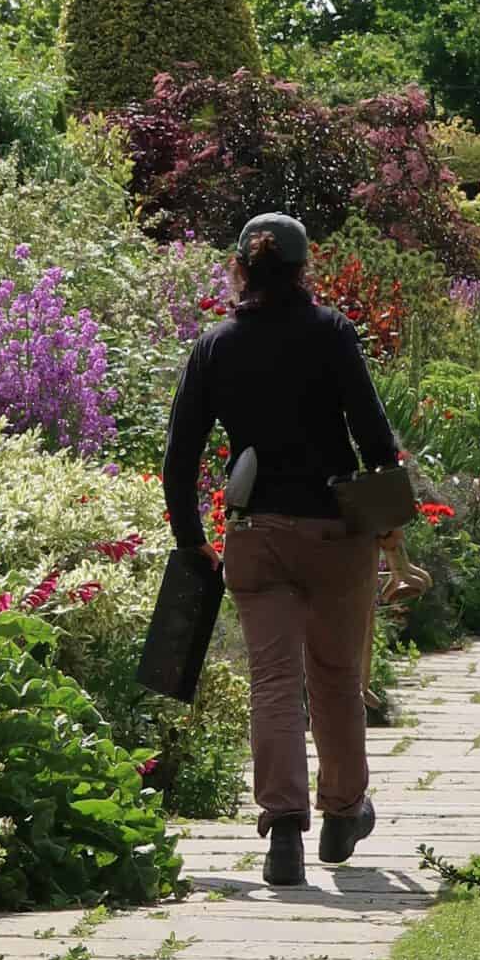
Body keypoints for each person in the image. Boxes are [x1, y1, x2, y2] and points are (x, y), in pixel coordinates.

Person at [162, 211, 402, 887]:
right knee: (335, 679)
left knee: (273, 682)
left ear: (241, 268)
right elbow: (376, 438)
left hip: (255, 535)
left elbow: (179, 463)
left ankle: (284, 833)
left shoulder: (216, 346)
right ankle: (343, 812)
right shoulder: (331, 335)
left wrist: (193, 545)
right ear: (305, 269)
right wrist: (388, 526)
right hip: (335, 531)